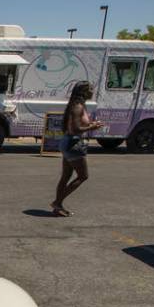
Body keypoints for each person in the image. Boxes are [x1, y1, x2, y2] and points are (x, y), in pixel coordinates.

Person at [52, 81, 104, 216]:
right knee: (83, 176)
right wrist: (92, 127)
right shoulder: (78, 107)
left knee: (66, 176)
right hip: (73, 144)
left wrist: (90, 124)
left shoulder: (77, 106)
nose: (92, 92)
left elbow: (75, 126)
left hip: (68, 142)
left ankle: (58, 206)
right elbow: (75, 129)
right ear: (84, 92)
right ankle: (57, 202)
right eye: (90, 89)